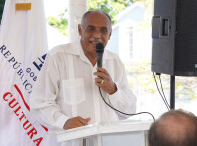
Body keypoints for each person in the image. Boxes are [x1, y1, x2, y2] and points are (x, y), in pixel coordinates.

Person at [29, 10, 136, 144]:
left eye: (103, 30)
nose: (97, 35)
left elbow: (130, 110)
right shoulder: (58, 56)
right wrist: (64, 121)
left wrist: (113, 89)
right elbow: (39, 103)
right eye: (91, 29)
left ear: (109, 34)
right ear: (80, 30)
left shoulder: (115, 62)